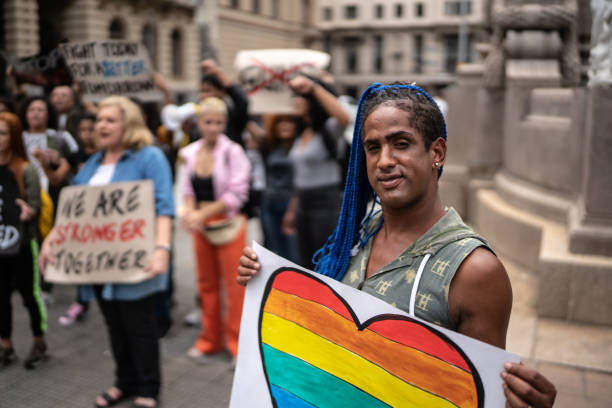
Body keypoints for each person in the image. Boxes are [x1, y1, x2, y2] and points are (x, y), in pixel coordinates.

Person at [238, 83, 557, 408]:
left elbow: (479, 394)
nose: (384, 160)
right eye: (373, 148)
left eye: (401, 144)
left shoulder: (474, 271)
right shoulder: (357, 236)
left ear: (437, 153)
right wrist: (262, 280)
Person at [40, 96, 174, 408]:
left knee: (140, 328)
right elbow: (75, 213)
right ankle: (123, 383)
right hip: (100, 266)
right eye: (100, 119)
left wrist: (162, 249)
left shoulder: (149, 158)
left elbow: (164, 207)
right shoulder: (93, 165)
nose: (101, 125)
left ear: (129, 124)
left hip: (136, 260)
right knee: (115, 326)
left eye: (110, 120)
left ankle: (148, 390)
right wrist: (52, 240)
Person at [179, 97, 250, 364]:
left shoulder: (234, 151)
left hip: (228, 224)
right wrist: (189, 212)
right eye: (209, 122)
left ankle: (236, 345)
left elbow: (237, 194)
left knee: (235, 288)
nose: (213, 127)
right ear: (199, 123)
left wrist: (200, 214)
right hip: (201, 225)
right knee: (206, 284)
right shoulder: (190, 152)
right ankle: (209, 339)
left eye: (219, 122)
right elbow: (187, 189)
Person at [284, 75, 349, 269]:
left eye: (300, 97)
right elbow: (300, 177)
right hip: (303, 202)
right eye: (294, 96)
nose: (295, 101)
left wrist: (313, 87)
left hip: (325, 201)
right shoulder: (301, 132)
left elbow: (344, 117)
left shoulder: (329, 129)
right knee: (305, 263)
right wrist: (292, 209)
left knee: (324, 261)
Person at [0, 112, 48, 369]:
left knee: (30, 295)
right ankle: (5, 344)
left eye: (3, 133)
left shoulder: (25, 170)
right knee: (1, 296)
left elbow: (36, 205)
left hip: (22, 243)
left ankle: (39, 341)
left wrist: (29, 211)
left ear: (14, 137)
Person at [58, 112, 98, 326]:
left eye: (91, 129)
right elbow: (57, 178)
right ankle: (82, 301)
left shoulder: (106, 155)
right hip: (83, 217)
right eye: (82, 130)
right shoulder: (76, 156)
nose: (87, 135)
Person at [258, 113, 300, 263]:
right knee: (271, 251)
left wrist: (292, 210)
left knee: (292, 254)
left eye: (289, 121)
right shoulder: (270, 146)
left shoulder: (301, 145)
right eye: (280, 122)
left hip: (290, 203)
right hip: (269, 203)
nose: (284, 125)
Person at [199, 59, 249, 147]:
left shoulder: (232, 114)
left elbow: (242, 101)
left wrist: (219, 73)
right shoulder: (198, 113)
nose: (213, 129)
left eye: (208, 91)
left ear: (222, 92)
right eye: (208, 122)